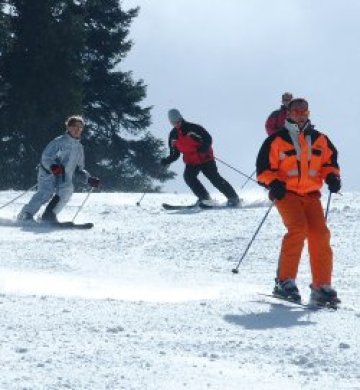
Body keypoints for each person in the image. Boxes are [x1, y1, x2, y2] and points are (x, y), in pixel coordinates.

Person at [256, 98, 341, 306]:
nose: (300, 114)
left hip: (311, 195)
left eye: (304, 111)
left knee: (320, 235)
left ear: (308, 113)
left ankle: (322, 286)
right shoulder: (276, 140)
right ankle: (284, 282)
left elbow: (330, 163)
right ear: (289, 114)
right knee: (298, 229)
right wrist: (273, 182)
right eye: (296, 111)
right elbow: (263, 170)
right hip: (287, 194)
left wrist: (332, 177)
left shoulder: (320, 139)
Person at [17, 115, 100, 223]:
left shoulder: (79, 148)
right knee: (46, 192)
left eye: (80, 127)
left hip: (65, 175)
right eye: (75, 126)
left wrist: (89, 179)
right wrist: (53, 166)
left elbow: (79, 169)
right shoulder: (58, 142)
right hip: (49, 173)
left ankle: (49, 215)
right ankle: (26, 214)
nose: (77, 129)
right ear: (69, 127)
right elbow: (46, 157)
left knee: (67, 191)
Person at [161, 109, 240, 207]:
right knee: (189, 177)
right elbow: (175, 153)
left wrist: (204, 148)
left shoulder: (193, 128)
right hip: (191, 161)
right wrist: (167, 160)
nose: (175, 123)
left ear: (180, 117)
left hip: (205, 158)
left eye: (177, 120)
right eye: (173, 122)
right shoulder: (173, 135)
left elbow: (208, 138)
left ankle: (233, 198)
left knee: (214, 178)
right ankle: (205, 198)